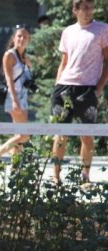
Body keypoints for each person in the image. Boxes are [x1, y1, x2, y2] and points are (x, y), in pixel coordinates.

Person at [50, 0, 108, 185]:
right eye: (85, 8)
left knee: (87, 134)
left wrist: (99, 87)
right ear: (75, 10)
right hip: (64, 87)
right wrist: (57, 83)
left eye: (91, 7)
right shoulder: (68, 31)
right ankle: (55, 176)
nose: (89, 11)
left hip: (87, 89)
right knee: (61, 134)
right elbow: (64, 61)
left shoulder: (102, 29)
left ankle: (85, 176)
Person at [0, 26, 33, 162]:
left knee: (18, 135)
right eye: (19, 36)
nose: (22, 39)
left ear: (28, 40)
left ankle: (15, 167)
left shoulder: (24, 57)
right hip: (14, 97)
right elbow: (9, 79)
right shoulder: (10, 55)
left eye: (25, 37)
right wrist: (14, 100)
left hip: (23, 97)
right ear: (13, 38)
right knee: (24, 135)